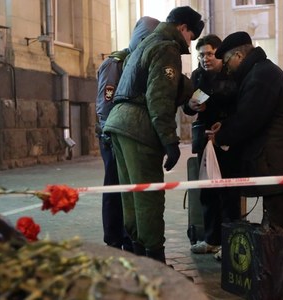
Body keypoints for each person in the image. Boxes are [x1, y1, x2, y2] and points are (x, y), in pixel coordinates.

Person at [209, 31, 283, 290]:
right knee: (278, 218)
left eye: (229, 60)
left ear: (239, 55)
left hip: (281, 163)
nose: (228, 68)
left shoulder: (261, 75)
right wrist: (227, 126)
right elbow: (249, 116)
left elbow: (250, 120)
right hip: (278, 161)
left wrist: (223, 134)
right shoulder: (259, 72)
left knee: (281, 220)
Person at [103, 6, 204, 263]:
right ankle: (156, 268)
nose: (189, 44)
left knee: (132, 197)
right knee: (148, 199)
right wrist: (170, 141)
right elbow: (158, 98)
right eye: (191, 37)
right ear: (182, 28)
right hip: (139, 130)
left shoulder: (146, 44)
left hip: (119, 126)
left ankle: (140, 264)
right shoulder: (167, 48)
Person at [95, 16, 160, 252]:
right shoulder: (116, 63)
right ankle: (113, 237)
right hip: (111, 134)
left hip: (127, 133)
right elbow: (105, 104)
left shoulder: (139, 60)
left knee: (128, 187)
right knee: (114, 186)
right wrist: (108, 135)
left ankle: (127, 235)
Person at [182, 35, 241, 255]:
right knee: (207, 192)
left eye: (209, 53)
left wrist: (212, 105)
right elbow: (187, 106)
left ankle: (230, 243)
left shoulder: (232, 73)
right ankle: (211, 239)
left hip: (226, 140)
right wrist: (190, 104)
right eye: (201, 55)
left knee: (229, 194)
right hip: (204, 142)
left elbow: (235, 101)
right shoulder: (197, 76)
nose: (205, 59)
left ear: (219, 53)